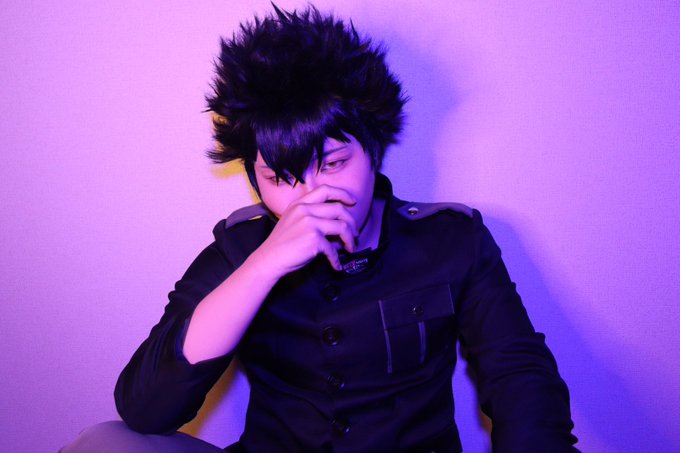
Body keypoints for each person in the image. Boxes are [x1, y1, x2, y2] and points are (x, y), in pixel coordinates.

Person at [63, 5, 578, 452]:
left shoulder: (451, 240)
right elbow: (145, 408)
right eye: (281, 177)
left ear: (373, 153)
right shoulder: (238, 249)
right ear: (254, 179)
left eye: (332, 164)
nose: (311, 197)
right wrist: (263, 267)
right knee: (102, 443)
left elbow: (520, 378)